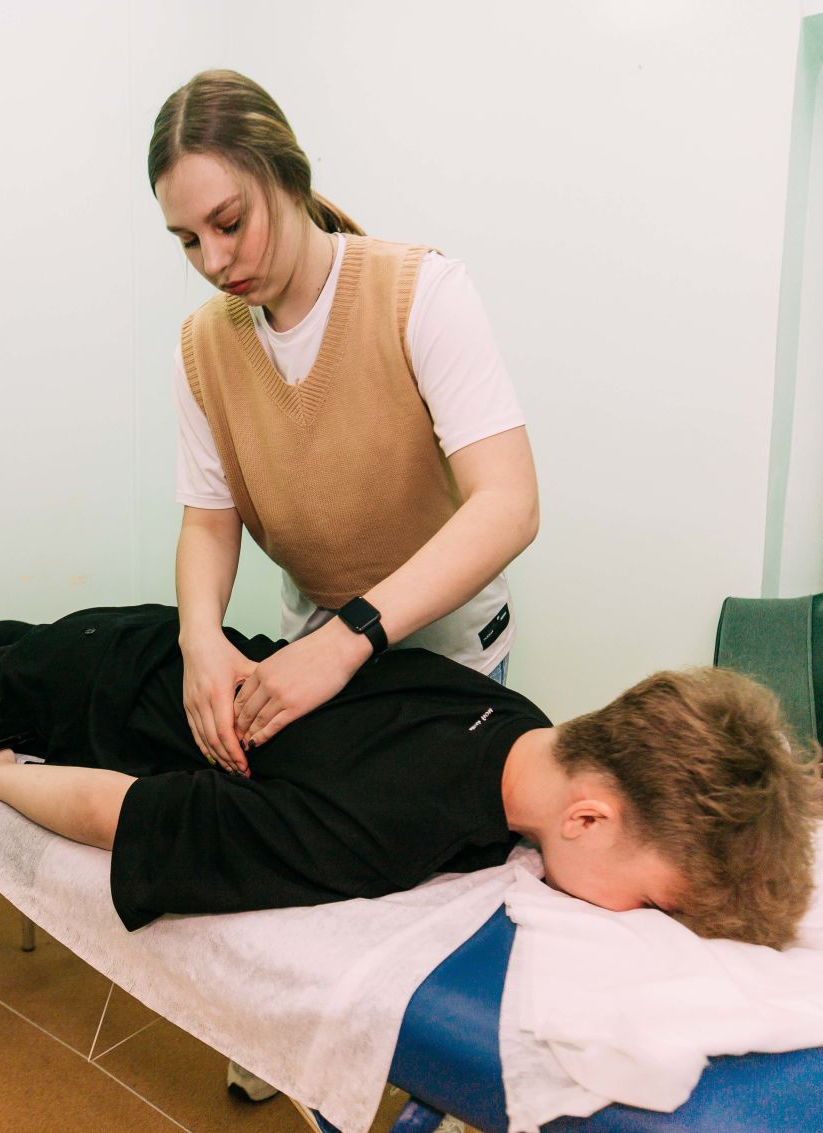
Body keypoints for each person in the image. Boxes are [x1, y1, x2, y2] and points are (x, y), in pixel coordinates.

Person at [0, 605, 820, 949]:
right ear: (586, 814)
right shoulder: (380, 829)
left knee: (14, 646)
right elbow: (124, 811)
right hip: (103, 691)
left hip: (165, 637)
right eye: (653, 899)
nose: (639, 916)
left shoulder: (524, 721)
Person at [148, 71, 541, 775]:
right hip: (316, 662)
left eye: (229, 223)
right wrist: (198, 639)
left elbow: (509, 505)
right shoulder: (202, 347)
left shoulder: (422, 294)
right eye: (188, 240)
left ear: (290, 178)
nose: (214, 261)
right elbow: (208, 521)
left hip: (451, 659)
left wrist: (346, 639)